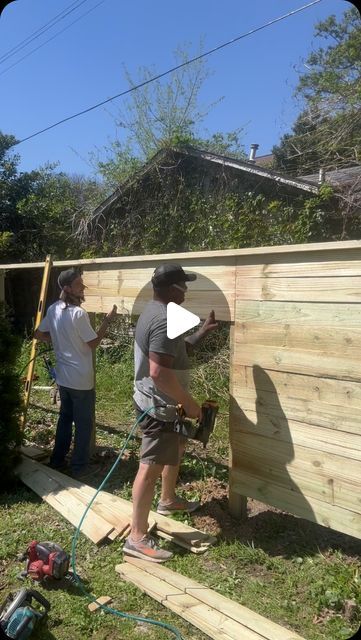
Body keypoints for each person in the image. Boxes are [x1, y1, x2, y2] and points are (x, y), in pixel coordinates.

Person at [124, 263, 217, 562]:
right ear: (171, 289)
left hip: (163, 402)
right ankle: (136, 537)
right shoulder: (163, 319)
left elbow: (174, 352)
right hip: (160, 407)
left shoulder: (156, 312)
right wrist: (189, 404)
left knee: (177, 446)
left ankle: (168, 500)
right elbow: (159, 371)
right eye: (183, 285)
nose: (186, 290)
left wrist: (201, 333)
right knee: (149, 467)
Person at [34, 267, 117, 478]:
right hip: (81, 380)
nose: (83, 288)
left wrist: (61, 338)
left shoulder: (53, 309)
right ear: (67, 288)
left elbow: (38, 333)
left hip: (63, 377)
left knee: (64, 419)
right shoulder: (78, 313)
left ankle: (57, 460)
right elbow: (94, 343)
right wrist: (107, 320)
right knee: (83, 425)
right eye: (79, 285)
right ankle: (79, 468)